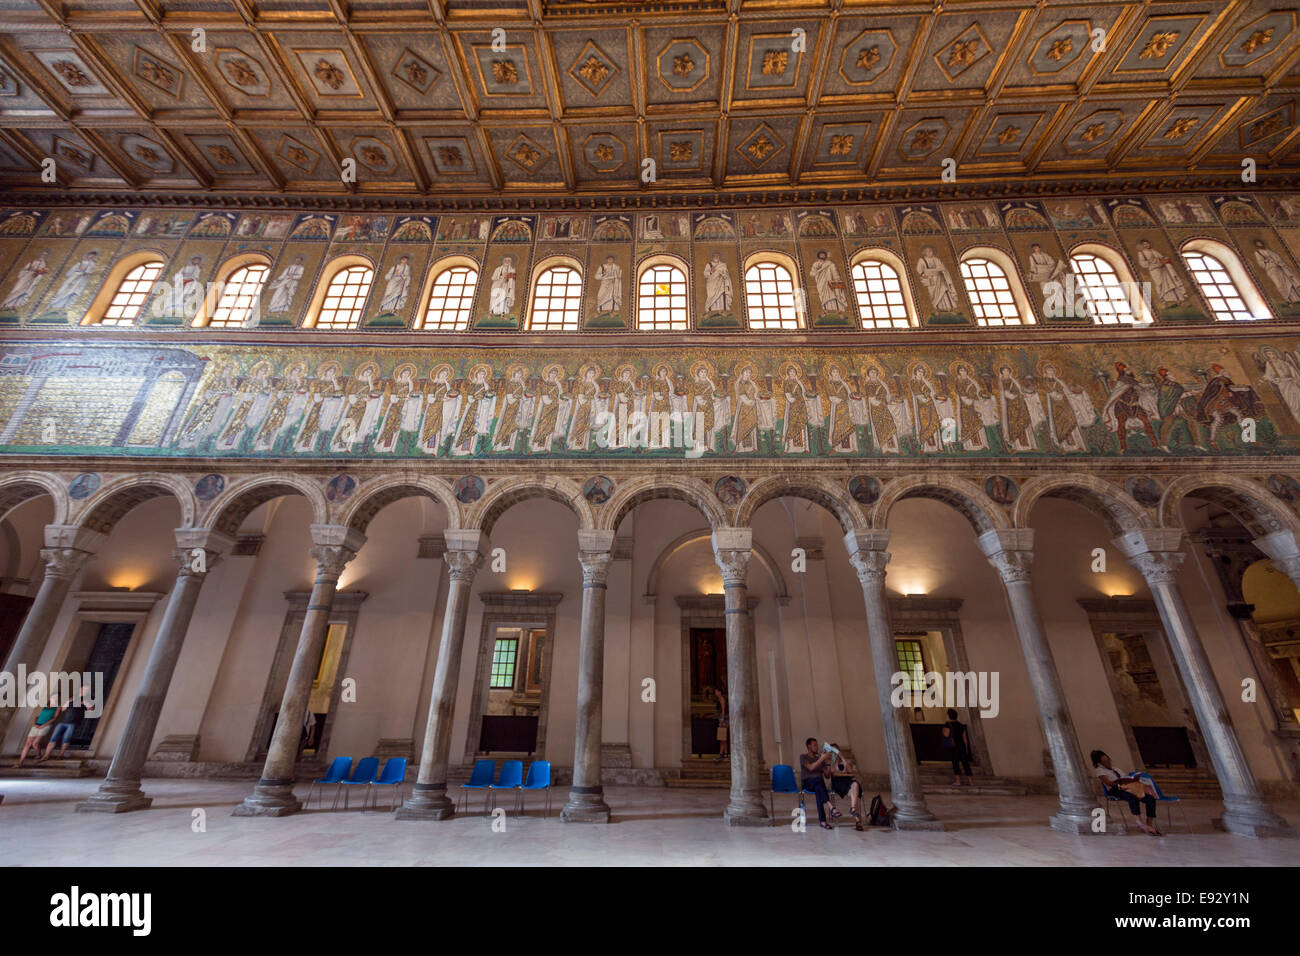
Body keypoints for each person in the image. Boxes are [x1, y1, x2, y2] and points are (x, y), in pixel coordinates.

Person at [1091, 749, 1162, 836]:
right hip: (1115, 789)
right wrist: (1119, 782)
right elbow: (1108, 783)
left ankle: (1149, 824)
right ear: (1099, 763)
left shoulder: (1116, 769)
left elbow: (1127, 778)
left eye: (1108, 759)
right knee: (1132, 797)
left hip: (1127, 787)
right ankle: (1140, 823)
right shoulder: (1100, 770)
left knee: (1150, 799)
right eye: (1105, 761)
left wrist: (1131, 780)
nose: (1108, 762)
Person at [42, 684, 91, 761]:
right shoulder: (72, 698)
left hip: (73, 723)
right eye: (83, 689)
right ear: (80, 689)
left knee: (66, 739)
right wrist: (68, 701)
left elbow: (91, 709)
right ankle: (46, 755)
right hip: (63, 721)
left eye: (86, 690)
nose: (84, 691)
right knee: (53, 738)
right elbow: (63, 709)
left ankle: (61, 755)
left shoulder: (88, 699)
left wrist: (86, 703)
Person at [799, 737, 836, 830]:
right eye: (815, 745)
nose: (817, 747)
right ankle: (830, 806)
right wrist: (821, 759)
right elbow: (810, 768)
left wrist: (828, 764)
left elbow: (827, 776)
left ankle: (823, 821)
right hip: (807, 783)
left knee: (819, 787)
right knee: (818, 781)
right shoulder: (803, 757)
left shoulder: (820, 759)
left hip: (818, 784)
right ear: (809, 746)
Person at [825, 742, 863, 830]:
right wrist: (847, 775)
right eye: (832, 751)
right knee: (855, 793)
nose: (834, 753)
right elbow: (835, 774)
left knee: (855, 785)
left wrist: (842, 757)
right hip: (838, 784)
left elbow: (851, 771)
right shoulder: (830, 762)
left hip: (848, 782)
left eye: (836, 750)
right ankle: (858, 821)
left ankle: (853, 810)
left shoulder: (844, 761)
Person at [16, 694, 61, 767]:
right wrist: (34, 724)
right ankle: (20, 762)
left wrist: (44, 725)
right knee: (27, 744)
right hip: (36, 725)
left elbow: (54, 718)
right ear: (50, 698)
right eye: (53, 696)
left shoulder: (58, 707)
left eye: (56, 697)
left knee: (35, 743)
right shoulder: (45, 706)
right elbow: (37, 716)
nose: (54, 698)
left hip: (46, 726)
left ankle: (38, 753)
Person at [943, 707, 974, 786]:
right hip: (962, 746)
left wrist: (943, 730)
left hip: (954, 747)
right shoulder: (961, 725)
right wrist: (966, 748)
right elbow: (965, 738)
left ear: (949, 715)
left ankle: (958, 781)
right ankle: (971, 781)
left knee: (955, 763)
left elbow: (946, 735)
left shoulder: (948, 724)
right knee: (965, 763)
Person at [713, 685, 729, 761]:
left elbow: (723, 710)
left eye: (716, 691)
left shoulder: (722, 699)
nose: (715, 693)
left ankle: (720, 754)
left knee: (722, 737)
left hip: (724, 719)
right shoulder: (719, 699)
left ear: (720, 692)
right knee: (723, 737)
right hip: (721, 718)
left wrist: (722, 720)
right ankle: (725, 755)